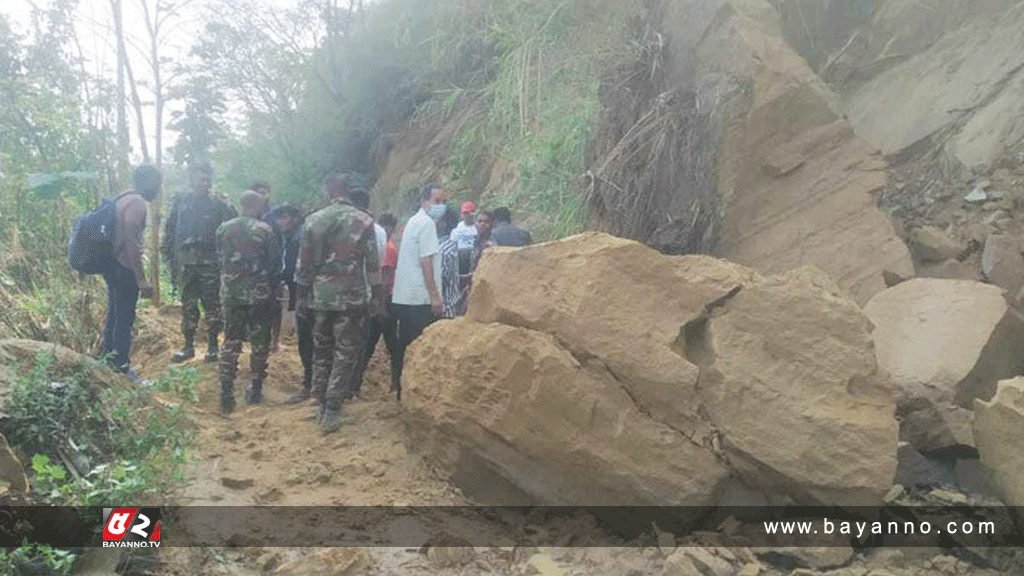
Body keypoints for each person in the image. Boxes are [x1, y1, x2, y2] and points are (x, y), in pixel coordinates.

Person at [295, 173, 383, 433]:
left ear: (330, 190)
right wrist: (377, 296)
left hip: (321, 295)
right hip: (351, 296)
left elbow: (304, 264)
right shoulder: (363, 220)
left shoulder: (314, 219)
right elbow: (373, 264)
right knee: (345, 351)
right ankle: (333, 408)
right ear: (348, 190)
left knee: (321, 348)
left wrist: (301, 296)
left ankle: (320, 400)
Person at [215, 191, 282, 414]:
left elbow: (220, 259)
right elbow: (274, 265)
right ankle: (255, 388)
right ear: (257, 205)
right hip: (258, 293)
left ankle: (226, 390)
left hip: (232, 292)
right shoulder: (265, 230)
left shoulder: (223, 228)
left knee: (231, 340)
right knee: (259, 341)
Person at [162, 164, 237, 364]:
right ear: (192, 180)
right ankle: (188, 346)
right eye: (200, 179)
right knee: (188, 305)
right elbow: (170, 231)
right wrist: (168, 257)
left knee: (212, 305)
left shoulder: (219, 204)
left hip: (210, 262)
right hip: (186, 262)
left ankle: (213, 347)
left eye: (207, 179)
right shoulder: (181, 203)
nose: (204, 183)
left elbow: (232, 228)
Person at [102, 165, 160, 384]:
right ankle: (123, 369)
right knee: (124, 318)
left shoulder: (121, 198)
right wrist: (140, 277)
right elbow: (130, 239)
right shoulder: (136, 202)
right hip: (124, 267)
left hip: (112, 266)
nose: (158, 188)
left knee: (114, 315)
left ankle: (107, 362)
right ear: (148, 181)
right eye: (158, 183)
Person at [391, 182, 446, 400]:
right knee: (419, 349)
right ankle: (415, 394)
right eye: (437, 201)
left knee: (404, 346)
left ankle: (400, 390)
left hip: (405, 297)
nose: (441, 206)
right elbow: (426, 262)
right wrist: (435, 296)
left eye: (443, 202)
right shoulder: (427, 224)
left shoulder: (413, 222)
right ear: (425, 202)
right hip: (419, 299)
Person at [351, 213, 400, 395]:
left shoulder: (387, 248)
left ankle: (356, 386)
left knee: (372, 345)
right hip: (384, 302)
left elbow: (386, 278)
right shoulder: (388, 247)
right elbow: (385, 278)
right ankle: (394, 385)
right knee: (387, 346)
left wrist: (379, 305)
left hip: (382, 302)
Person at [436, 205, 461, 318]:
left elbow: (439, 281)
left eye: (436, 218)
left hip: (444, 310)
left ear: (443, 224)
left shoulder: (443, 251)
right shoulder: (448, 246)